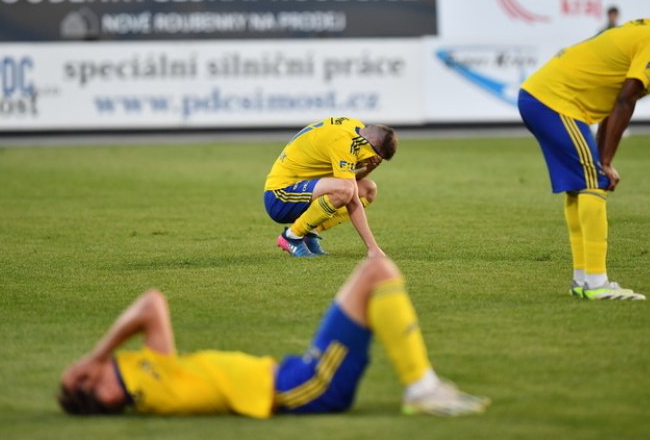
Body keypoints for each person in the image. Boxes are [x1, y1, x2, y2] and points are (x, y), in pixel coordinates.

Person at [58, 256, 490, 417]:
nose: (96, 370)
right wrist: (95, 362)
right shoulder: (152, 392)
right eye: (89, 380)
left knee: (377, 270)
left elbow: (152, 304)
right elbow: (149, 306)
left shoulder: (150, 372)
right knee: (376, 272)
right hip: (303, 388)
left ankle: (422, 385)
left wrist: (97, 357)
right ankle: (421, 389)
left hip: (294, 375)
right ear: (107, 397)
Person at [517, 19, 650, 301]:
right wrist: (606, 163)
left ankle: (583, 280)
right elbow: (625, 101)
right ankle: (597, 283)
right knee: (593, 185)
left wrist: (602, 161)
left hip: (542, 97)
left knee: (581, 186)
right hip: (554, 101)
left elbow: (616, 105)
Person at [264, 116, 397, 258]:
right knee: (345, 190)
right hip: (279, 196)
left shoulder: (354, 128)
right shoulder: (344, 142)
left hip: (305, 187)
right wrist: (373, 247)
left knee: (368, 190)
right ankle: (292, 236)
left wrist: (371, 165)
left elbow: (352, 179)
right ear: (372, 145)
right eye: (375, 156)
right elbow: (350, 196)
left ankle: (309, 232)